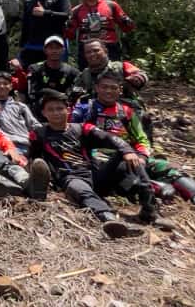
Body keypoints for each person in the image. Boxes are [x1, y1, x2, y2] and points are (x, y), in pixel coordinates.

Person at [29, 89, 155, 237]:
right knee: (81, 190)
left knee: (127, 154)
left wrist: (127, 151)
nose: (56, 113)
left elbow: (110, 138)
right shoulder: (39, 134)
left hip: (95, 175)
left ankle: (149, 208)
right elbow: (33, 158)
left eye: (59, 108)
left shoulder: (82, 128)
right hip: (70, 178)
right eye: (50, 110)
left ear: (68, 110)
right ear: (43, 113)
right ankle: (110, 219)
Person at [72, 70, 195, 209]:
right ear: (97, 88)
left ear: (120, 90)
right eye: (104, 87)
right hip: (99, 159)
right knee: (124, 179)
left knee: (164, 166)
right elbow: (70, 132)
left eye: (113, 88)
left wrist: (142, 157)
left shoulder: (127, 112)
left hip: (131, 156)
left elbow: (141, 138)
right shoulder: (84, 108)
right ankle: (155, 188)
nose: (108, 91)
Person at [66, 0, 135, 68]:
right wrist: (66, 25)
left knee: (113, 73)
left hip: (110, 47)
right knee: (86, 75)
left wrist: (127, 22)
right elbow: (70, 35)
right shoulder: (76, 10)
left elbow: (128, 28)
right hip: (86, 49)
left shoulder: (111, 5)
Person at [14, 0, 70, 67]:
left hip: (54, 45)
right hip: (32, 45)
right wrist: (22, 45)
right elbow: (26, 23)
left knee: (56, 73)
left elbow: (66, 15)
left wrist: (45, 13)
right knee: (31, 73)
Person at [72, 39, 148, 105]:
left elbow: (142, 75)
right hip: (96, 112)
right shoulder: (84, 75)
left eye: (96, 50)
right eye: (88, 52)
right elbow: (75, 94)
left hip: (125, 110)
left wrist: (135, 79)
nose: (92, 54)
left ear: (105, 51)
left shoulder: (121, 67)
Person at [0, 71, 40, 153]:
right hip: (1, 147)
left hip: (24, 145)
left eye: (5, 84)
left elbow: (34, 125)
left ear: (11, 86)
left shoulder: (21, 106)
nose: (2, 86)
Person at [25, 36, 80, 112]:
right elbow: (32, 93)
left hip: (64, 108)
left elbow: (75, 93)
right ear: (45, 50)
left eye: (57, 48)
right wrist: (55, 94)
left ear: (63, 50)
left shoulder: (72, 71)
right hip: (41, 109)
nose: (54, 51)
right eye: (51, 48)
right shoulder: (35, 69)